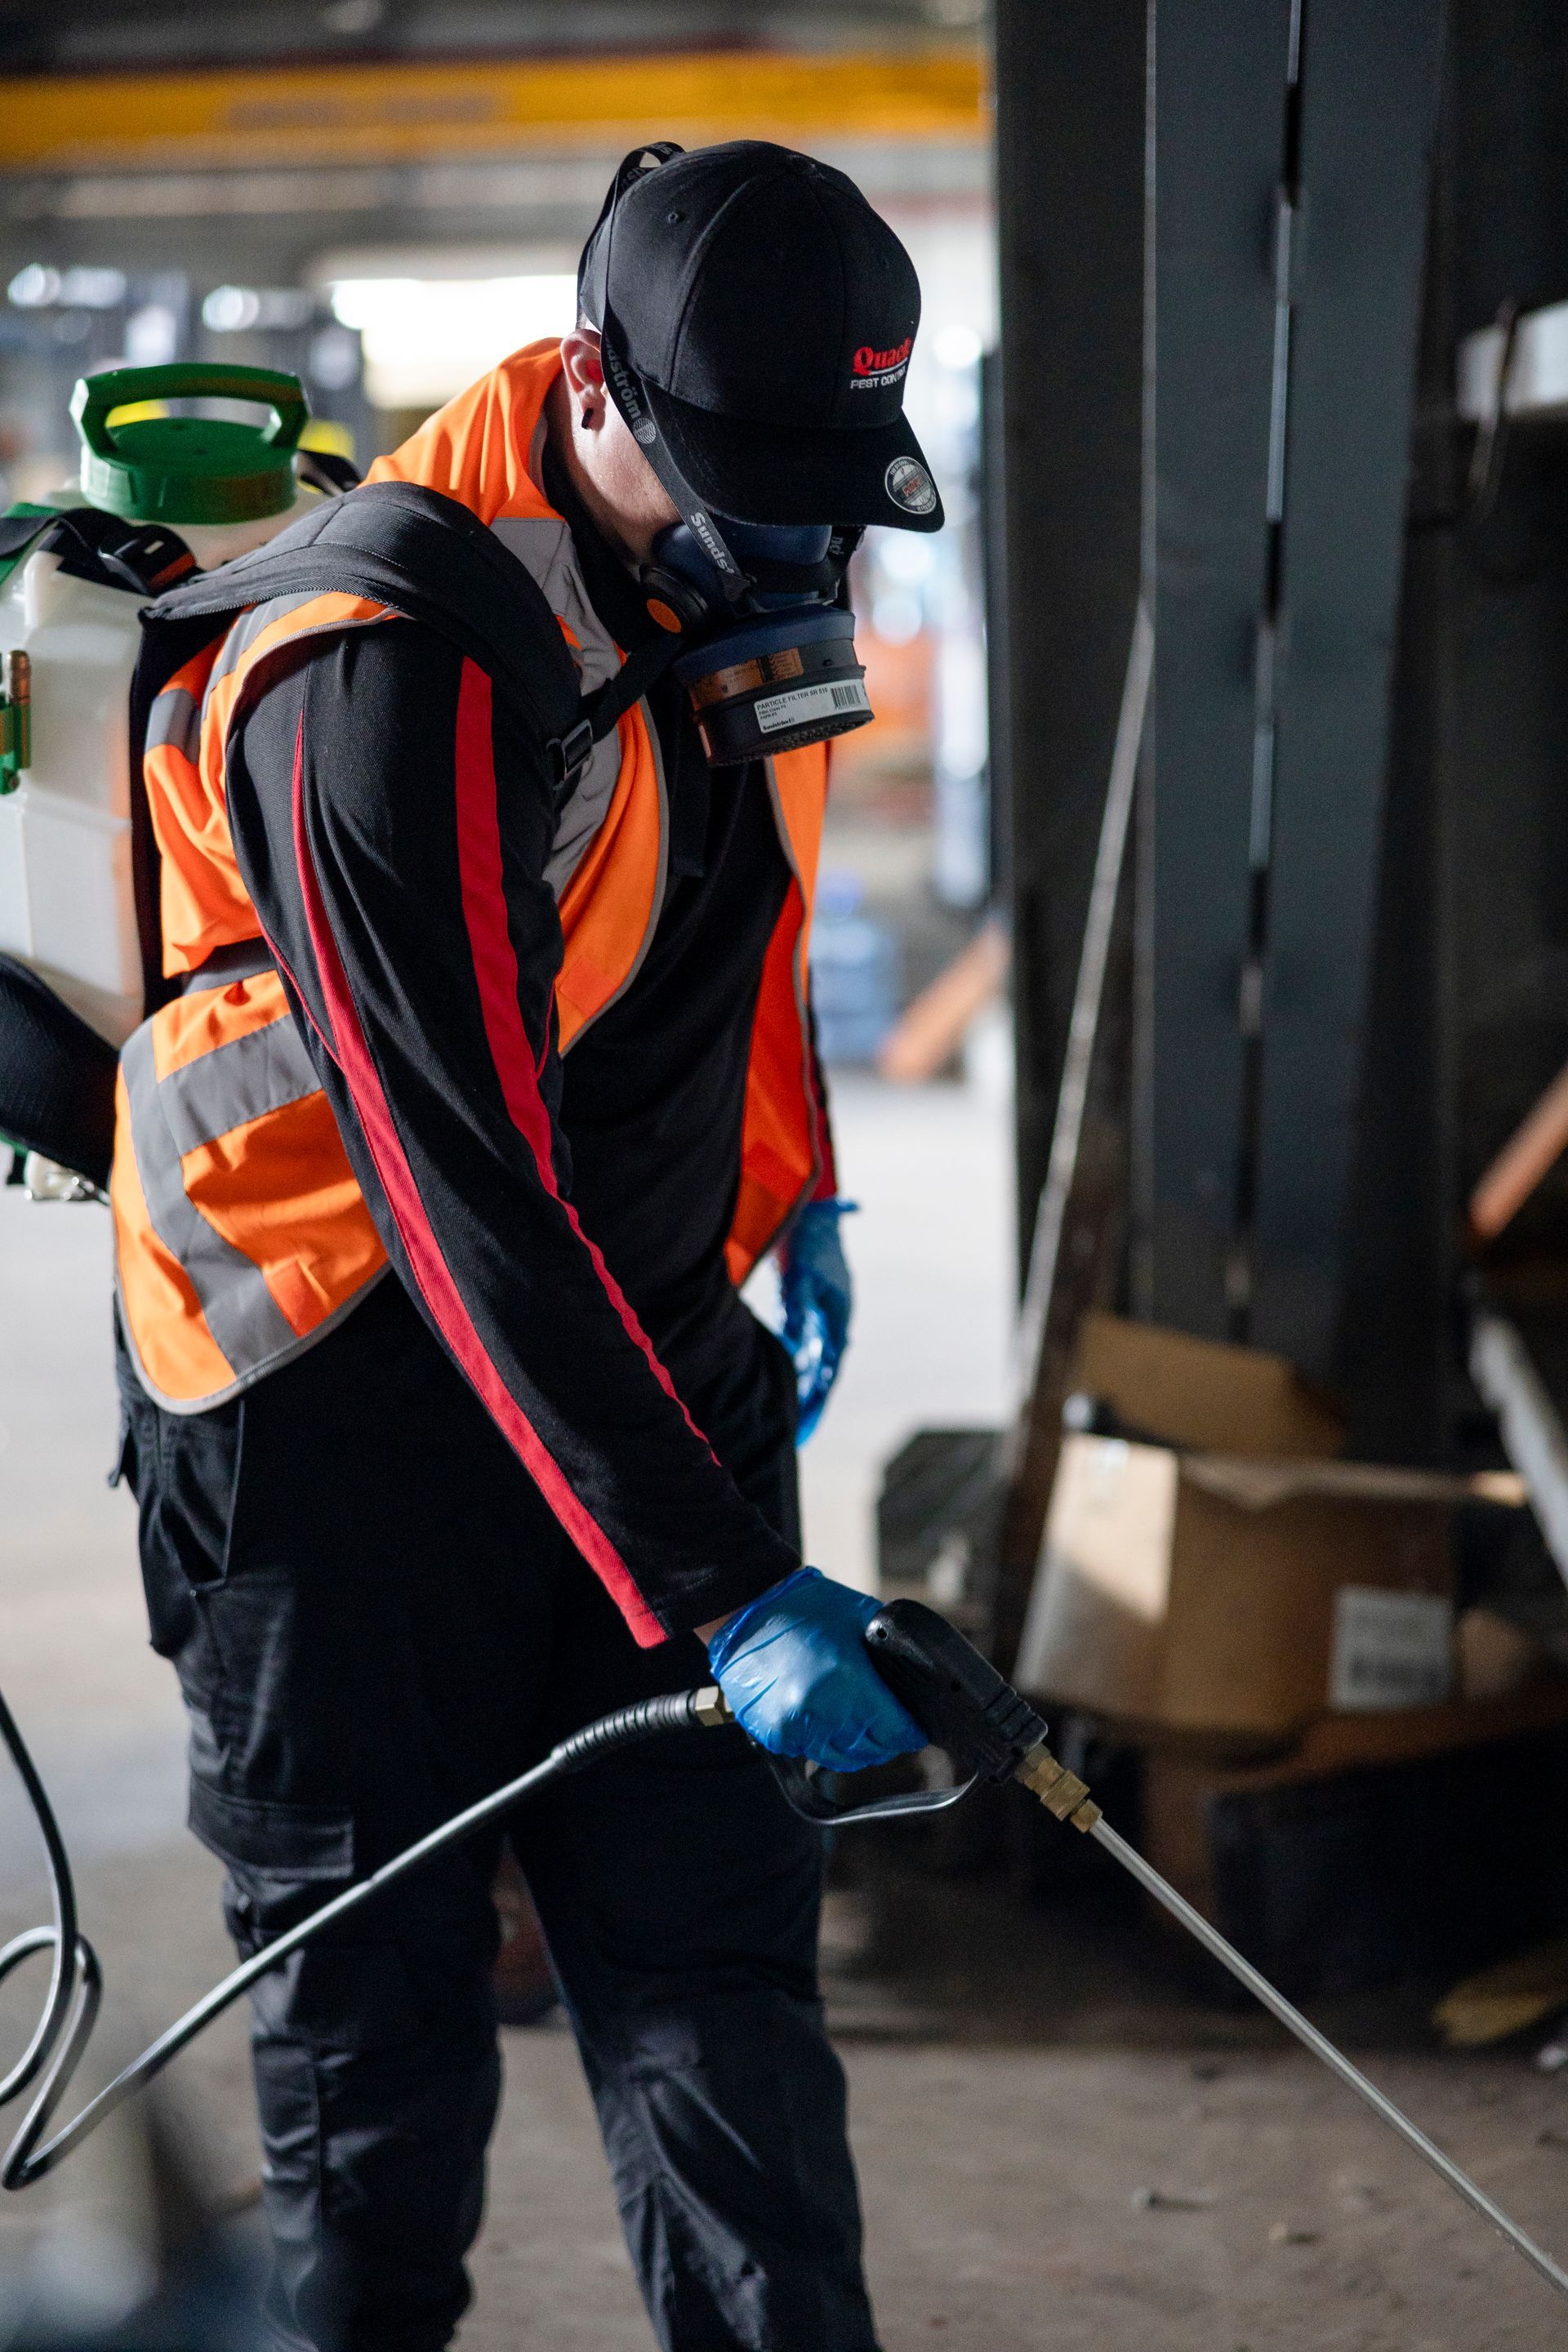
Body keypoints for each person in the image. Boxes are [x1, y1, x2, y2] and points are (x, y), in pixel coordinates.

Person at [110, 139, 945, 2352]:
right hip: (335, 1419)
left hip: (638, 1366)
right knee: (376, 2092)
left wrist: (797, 1171)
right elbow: (455, 1178)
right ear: (594, 384)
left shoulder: (745, 539)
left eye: (820, 494)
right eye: (746, 488)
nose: (796, 549)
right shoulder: (381, 671)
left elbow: (736, 904)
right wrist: (722, 1585)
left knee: (724, 2010)